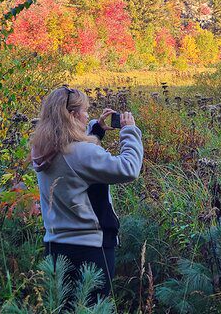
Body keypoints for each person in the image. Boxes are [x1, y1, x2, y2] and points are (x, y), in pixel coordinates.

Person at [31, 86, 143, 305]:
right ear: (72, 115)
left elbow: (77, 166)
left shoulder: (43, 149)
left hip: (55, 249)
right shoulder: (80, 152)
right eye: (84, 111)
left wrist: (96, 130)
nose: (87, 115)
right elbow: (129, 169)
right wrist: (129, 131)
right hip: (91, 251)